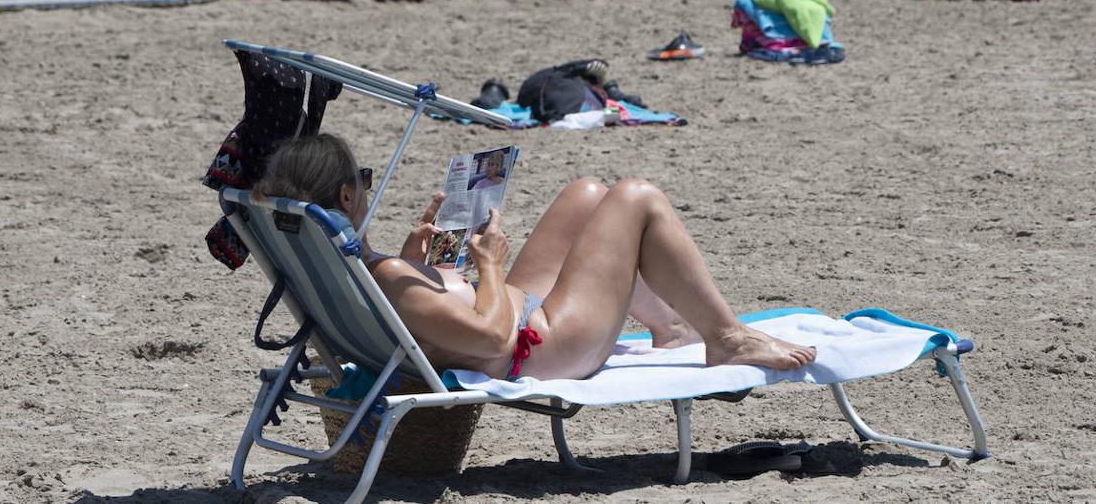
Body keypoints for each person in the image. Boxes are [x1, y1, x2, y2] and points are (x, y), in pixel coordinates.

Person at [253, 134, 817, 381]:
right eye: (364, 183)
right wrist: (492, 265)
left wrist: (427, 265)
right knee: (636, 196)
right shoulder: (391, 280)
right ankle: (726, 337)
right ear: (347, 198)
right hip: (542, 342)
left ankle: (668, 326)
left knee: (587, 195)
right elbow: (494, 341)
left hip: (522, 312)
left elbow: (433, 319)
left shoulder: (346, 270)